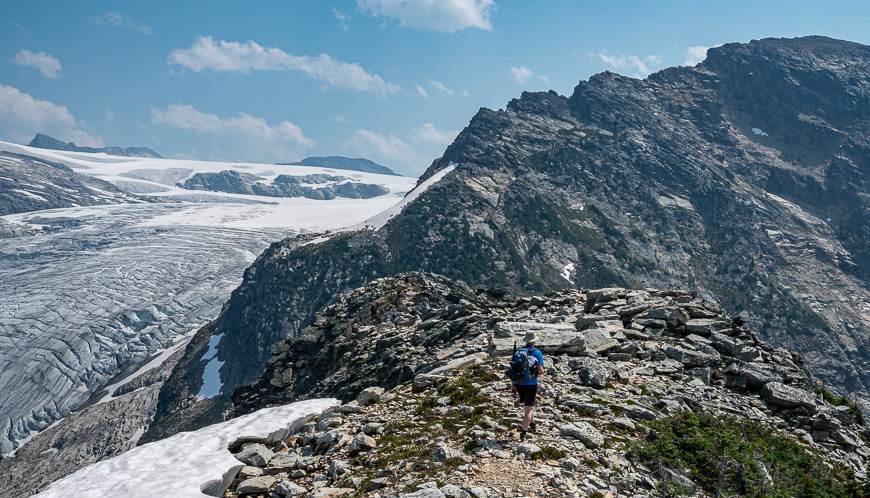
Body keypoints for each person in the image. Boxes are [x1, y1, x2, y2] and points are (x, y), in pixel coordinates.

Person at [510, 332, 544, 441]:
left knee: (528, 406)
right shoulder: (537, 352)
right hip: (531, 384)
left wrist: (513, 385)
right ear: (534, 341)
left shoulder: (519, 352)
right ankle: (524, 433)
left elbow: (513, 369)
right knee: (528, 409)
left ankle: (532, 424)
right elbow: (540, 372)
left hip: (519, 383)